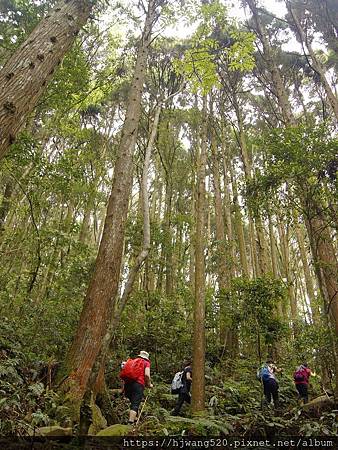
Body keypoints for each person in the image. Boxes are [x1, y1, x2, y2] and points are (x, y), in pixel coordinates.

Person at [122, 351, 153, 425]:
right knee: (135, 403)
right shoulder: (146, 363)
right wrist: (149, 384)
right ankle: (130, 423)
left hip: (128, 383)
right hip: (138, 384)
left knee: (133, 402)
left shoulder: (133, 361)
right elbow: (147, 375)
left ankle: (135, 418)